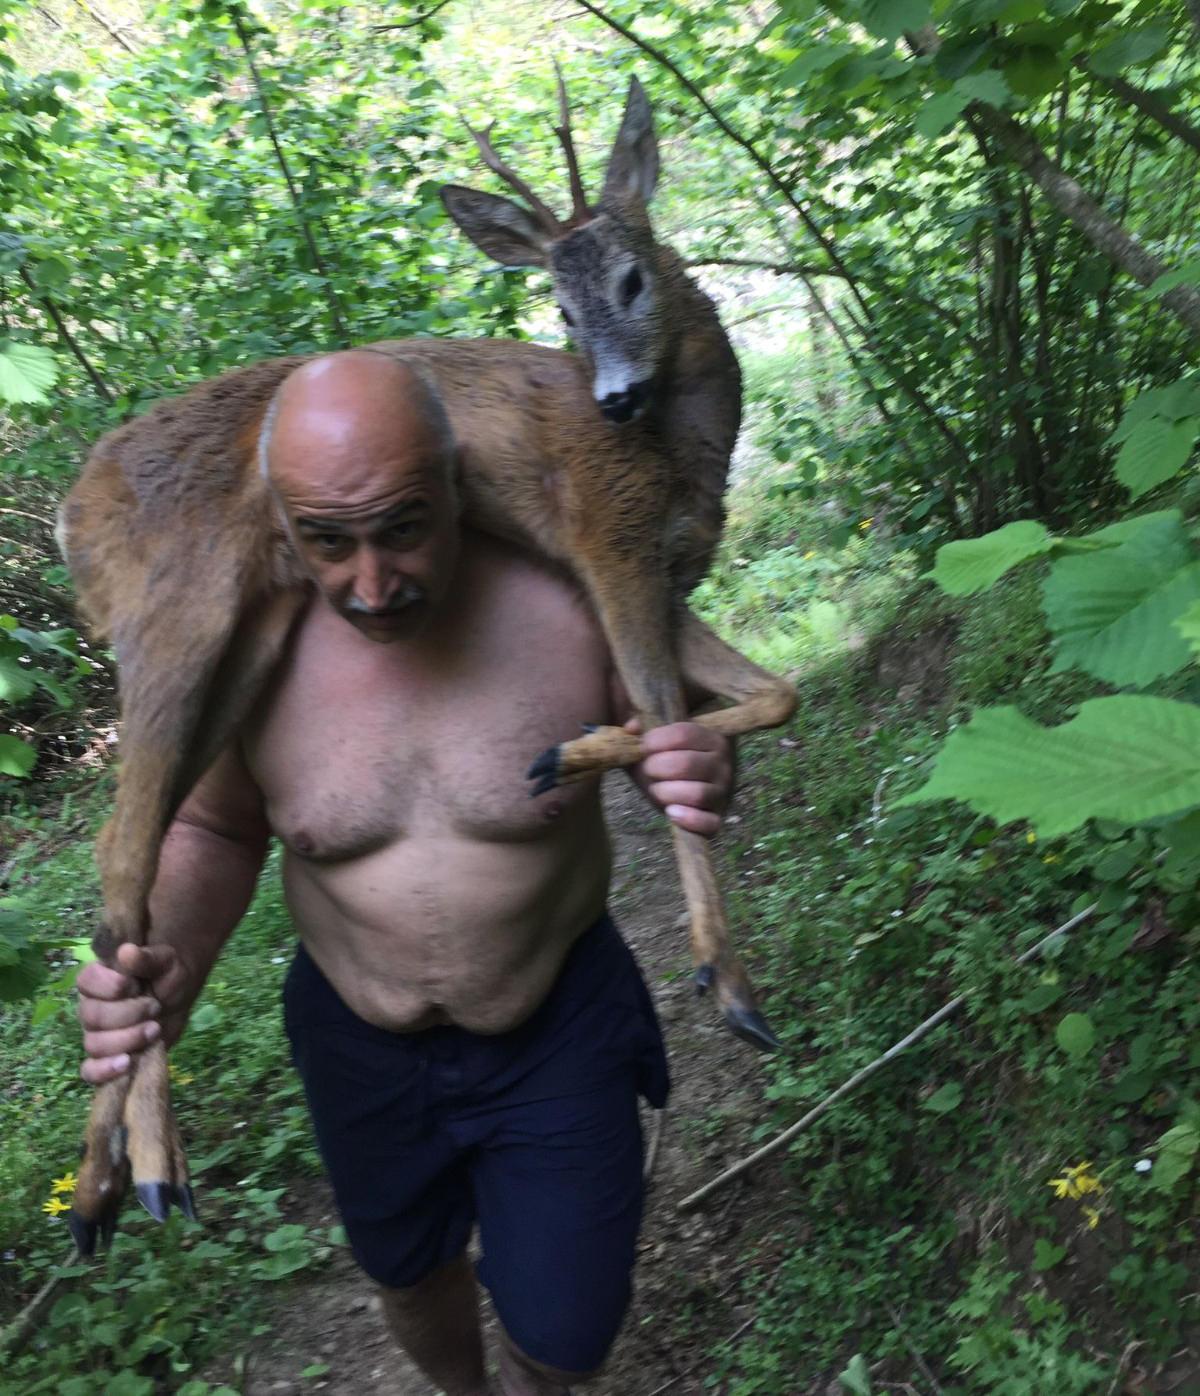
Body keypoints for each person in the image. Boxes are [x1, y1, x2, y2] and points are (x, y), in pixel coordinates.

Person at [75, 350, 733, 1396]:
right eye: (327, 542)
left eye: (404, 528)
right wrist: (163, 975)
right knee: (408, 1269)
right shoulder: (246, 642)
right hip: (357, 1042)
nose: (371, 585)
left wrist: (699, 763)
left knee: (566, 1332)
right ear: (281, 518)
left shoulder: (570, 600)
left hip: (556, 1026)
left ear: (459, 486)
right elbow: (212, 834)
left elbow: (677, 737)